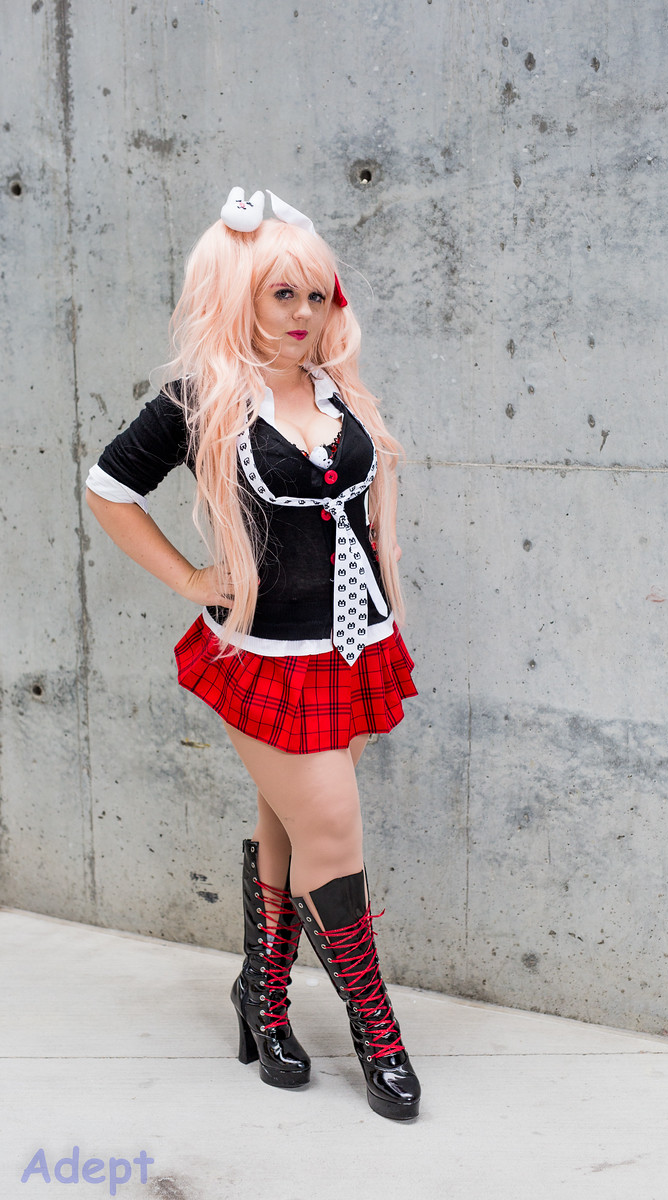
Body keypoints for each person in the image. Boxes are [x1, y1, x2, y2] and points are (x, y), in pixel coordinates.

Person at [85, 188, 421, 1121]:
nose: (304, 314)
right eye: (283, 294)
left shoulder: (337, 390)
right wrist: (192, 579)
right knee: (332, 833)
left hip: (354, 647)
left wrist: (383, 593)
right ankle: (378, 1033)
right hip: (265, 656)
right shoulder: (203, 401)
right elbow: (108, 487)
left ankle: (262, 1000)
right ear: (240, 293)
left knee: (293, 823)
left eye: (317, 296)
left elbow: (365, 505)